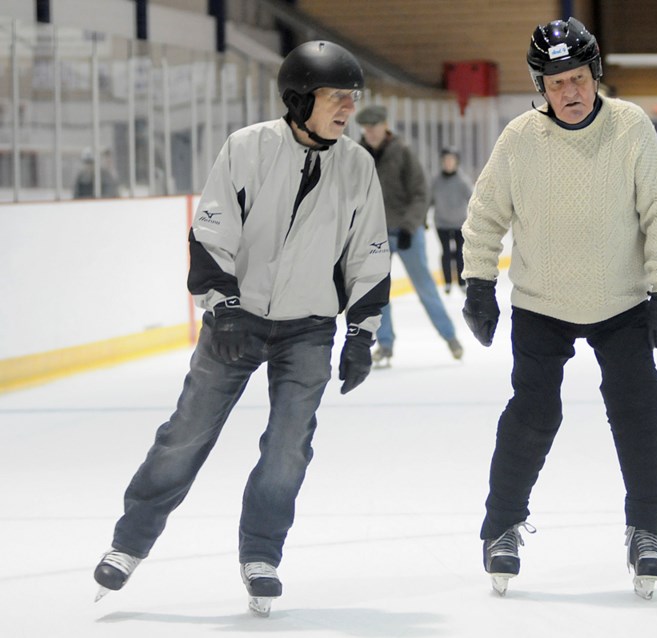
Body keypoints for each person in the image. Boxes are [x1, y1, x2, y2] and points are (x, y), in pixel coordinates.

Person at [92, 41, 391, 616]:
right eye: (336, 97)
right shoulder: (248, 149)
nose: (347, 108)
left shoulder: (357, 165)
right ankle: (129, 543)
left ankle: (261, 554)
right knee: (186, 434)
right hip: (238, 321)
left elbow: (369, 254)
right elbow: (211, 231)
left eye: (352, 98)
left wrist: (361, 332)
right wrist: (223, 304)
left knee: (287, 449)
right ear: (300, 98)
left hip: (308, 329)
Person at [460, 17, 657, 599]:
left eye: (579, 77)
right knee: (533, 414)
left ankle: (646, 533)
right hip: (542, 304)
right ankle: (501, 528)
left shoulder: (630, 126)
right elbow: (486, 215)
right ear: (541, 86)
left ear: (595, 77)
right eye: (556, 81)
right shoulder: (519, 139)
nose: (570, 91)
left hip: (620, 301)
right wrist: (479, 283)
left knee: (639, 409)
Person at [356, 104, 463, 366]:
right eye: (366, 129)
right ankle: (385, 344)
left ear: (385, 126)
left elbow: (420, 193)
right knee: (378, 293)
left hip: (407, 233)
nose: (370, 133)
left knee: (425, 287)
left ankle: (450, 337)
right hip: (376, 233)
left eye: (374, 127)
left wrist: (409, 226)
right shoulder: (358, 155)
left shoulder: (402, 152)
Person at [430, 147, 473, 293]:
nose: (448, 163)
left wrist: (475, 216)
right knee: (446, 252)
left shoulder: (462, 180)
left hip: (459, 223)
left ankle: (461, 281)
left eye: (451, 160)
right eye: (446, 160)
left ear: (456, 162)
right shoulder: (436, 181)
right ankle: (447, 282)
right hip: (441, 223)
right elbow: (428, 200)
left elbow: (472, 199)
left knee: (460, 252)